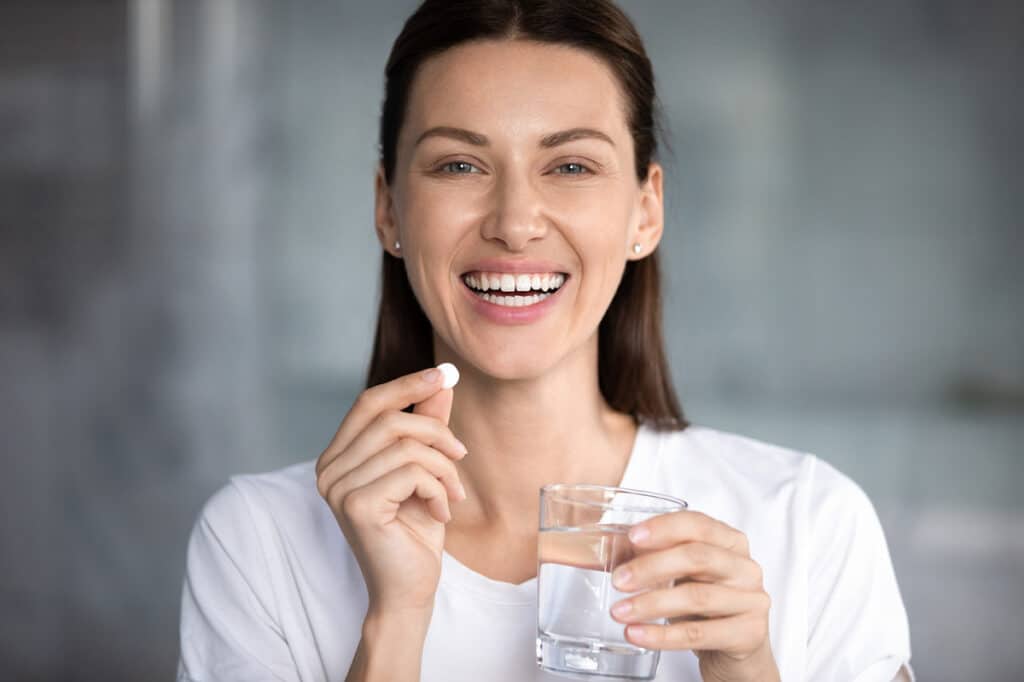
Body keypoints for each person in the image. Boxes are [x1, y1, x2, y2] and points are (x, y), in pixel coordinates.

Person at [176, 1, 913, 680]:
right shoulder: (258, 541)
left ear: (645, 212)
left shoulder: (807, 521)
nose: (516, 221)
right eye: (460, 165)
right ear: (388, 209)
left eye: (570, 166)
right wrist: (394, 623)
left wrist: (745, 666)